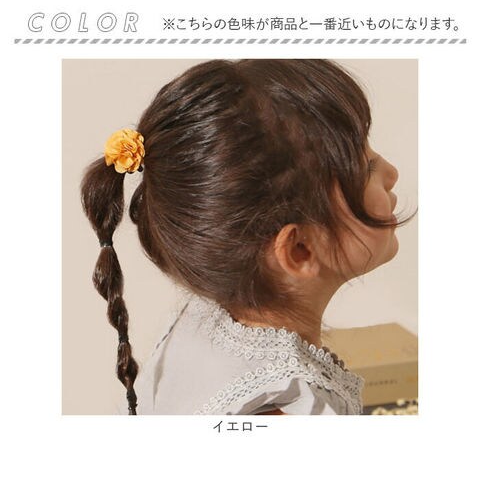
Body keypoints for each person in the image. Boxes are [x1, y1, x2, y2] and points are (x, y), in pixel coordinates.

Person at [80, 59, 409, 415]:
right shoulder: (286, 410)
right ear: (299, 250)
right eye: (365, 168)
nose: (391, 172)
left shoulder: (207, 321)